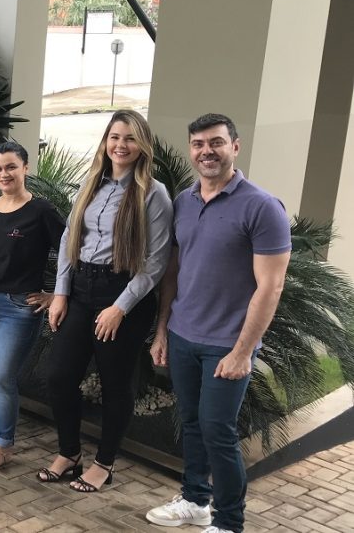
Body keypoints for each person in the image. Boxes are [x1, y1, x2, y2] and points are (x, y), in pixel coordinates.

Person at [145, 114, 290, 533]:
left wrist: (243, 352)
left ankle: (229, 522)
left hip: (227, 343)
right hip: (183, 335)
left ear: (235, 147)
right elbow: (173, 272)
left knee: (218, 431)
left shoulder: (262, 207)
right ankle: (195, 500)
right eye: (198, 144)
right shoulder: (184, 201)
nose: (206, 151)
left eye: (216, 143)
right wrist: (162, 330)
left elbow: (271, 287)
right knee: (191, 423)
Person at [40, 109, 173, 493]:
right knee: (59, 376)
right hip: (82, 289)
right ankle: (70, 453)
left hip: (123, 294)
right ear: (105, 142)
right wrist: (61, 293)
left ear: (142, 145)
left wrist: (120, 307)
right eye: (115, 137)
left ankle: (104, 463)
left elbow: (156, 262)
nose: (121, 145)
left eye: (130, 138)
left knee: (116, 384)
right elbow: (69, 238)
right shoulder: (91, 183)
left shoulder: (154, 193)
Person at [0, 141, 65, 469]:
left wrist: (56, 295)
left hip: (19, 308)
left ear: (25, 168)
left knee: (1, 377)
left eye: (11, 167)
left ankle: (5, 445)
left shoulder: (42, 211)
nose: (4, 174)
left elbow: (71, 253)